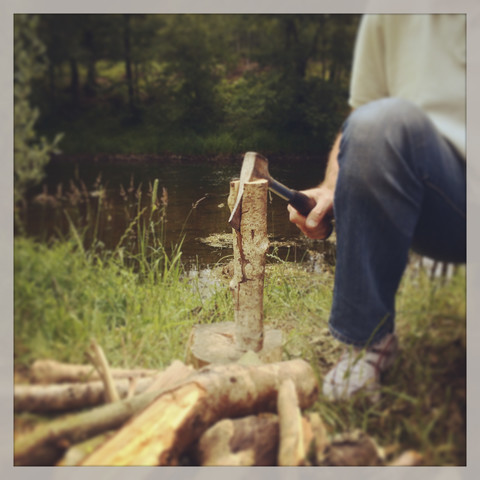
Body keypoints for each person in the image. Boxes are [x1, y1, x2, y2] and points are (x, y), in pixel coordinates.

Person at [288, 14, 466, 402]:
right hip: (441, 192)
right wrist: (332, 186)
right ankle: (367, 339)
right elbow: (363, 118)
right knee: (377, 122)